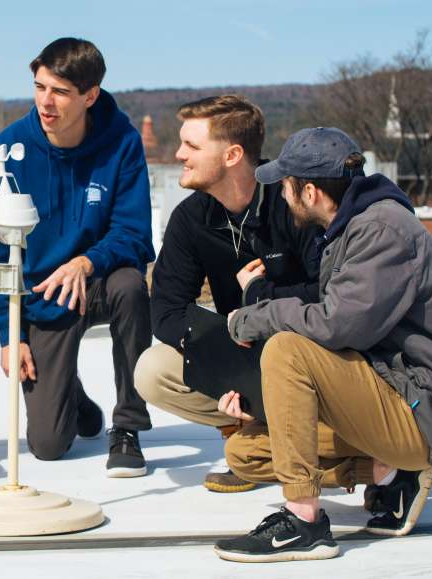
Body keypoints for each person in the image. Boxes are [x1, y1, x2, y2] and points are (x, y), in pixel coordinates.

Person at [214, 127, 432, 562]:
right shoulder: (350, 228)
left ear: (309, 192)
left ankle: (304, 523)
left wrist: (254, 319)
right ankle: (385, 470)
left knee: (287, 349)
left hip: (420, 407)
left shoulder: (383, 230)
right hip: (385, 389)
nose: (280, 197)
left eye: (284, 186)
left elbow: (339, 326)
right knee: (244, 451)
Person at [0, 37, 155, 477]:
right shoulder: (10, 150)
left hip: (97, 280)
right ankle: (71, 397)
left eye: (59, 92)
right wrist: (8, 332)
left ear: (90, 95)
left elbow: (134, 234)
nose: (46, 101)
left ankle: (128, 426)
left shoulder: (122, 143)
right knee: (48, 446)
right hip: (43, 293)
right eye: (40, 87)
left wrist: (87, 262)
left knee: (131, 285)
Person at [134, 95, 322, 492]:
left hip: (306, 353)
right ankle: (247, 437)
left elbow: (329, 296)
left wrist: (259, 295)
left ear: (233, 154)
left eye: (192, 146)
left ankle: (318, 446)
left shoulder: (293, 203)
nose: (179, 154)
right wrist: (225, 352)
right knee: (153, 372)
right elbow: (166, 312)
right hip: (242, 349)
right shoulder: (191, 218)